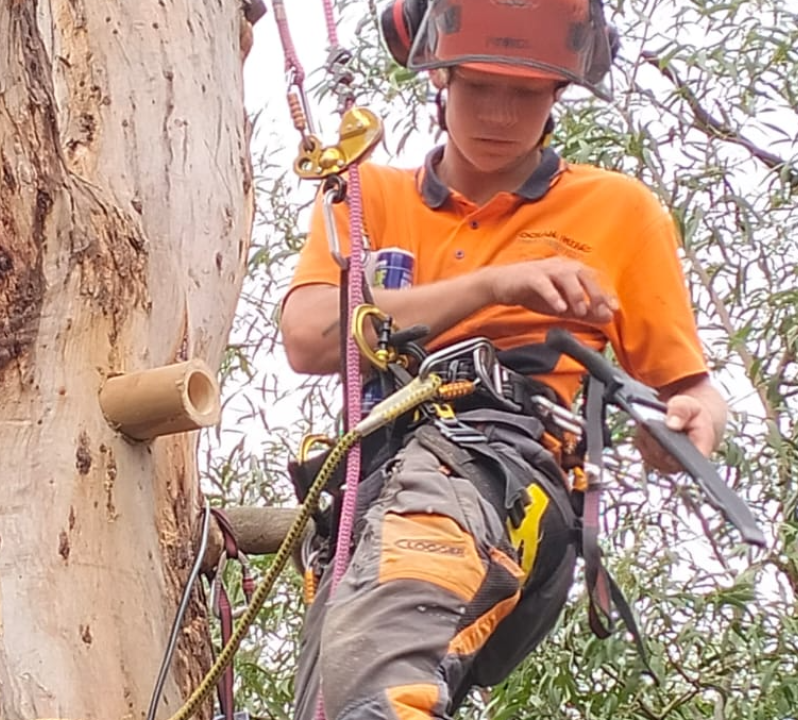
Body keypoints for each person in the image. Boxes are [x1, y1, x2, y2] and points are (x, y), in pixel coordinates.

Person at [279, 1, 728, 718]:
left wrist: (686, 428)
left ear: (558, 95)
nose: (497, 114)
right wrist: (496, 284)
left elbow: (692, 390)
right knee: (332, 697)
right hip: (377, 480)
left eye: (522, 94)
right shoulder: (371, 198)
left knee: (380, 678)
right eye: (478, 88)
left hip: (506, 471)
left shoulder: (616, 211)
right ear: (441, 80)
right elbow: (308, 337)